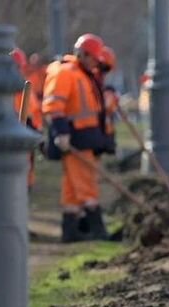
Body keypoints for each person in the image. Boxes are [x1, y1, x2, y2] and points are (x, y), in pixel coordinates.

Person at [42, 33, 108, 242]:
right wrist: (61, 133)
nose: (96, 64)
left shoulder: (81, 73)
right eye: (94, 59)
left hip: (83, 138)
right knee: (86, 185)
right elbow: (54, 105)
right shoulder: (66, 73)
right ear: (84, 54)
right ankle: (98, 231)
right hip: (75, 138)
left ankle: (70, 231)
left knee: (72, 188)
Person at [11, 47, 43, 191]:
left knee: (27, 162)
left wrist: (38, 132)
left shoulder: (26, 87)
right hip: (8, 133)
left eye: (19, 67)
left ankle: (26, 185)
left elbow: (34, 113)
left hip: (24, 132)